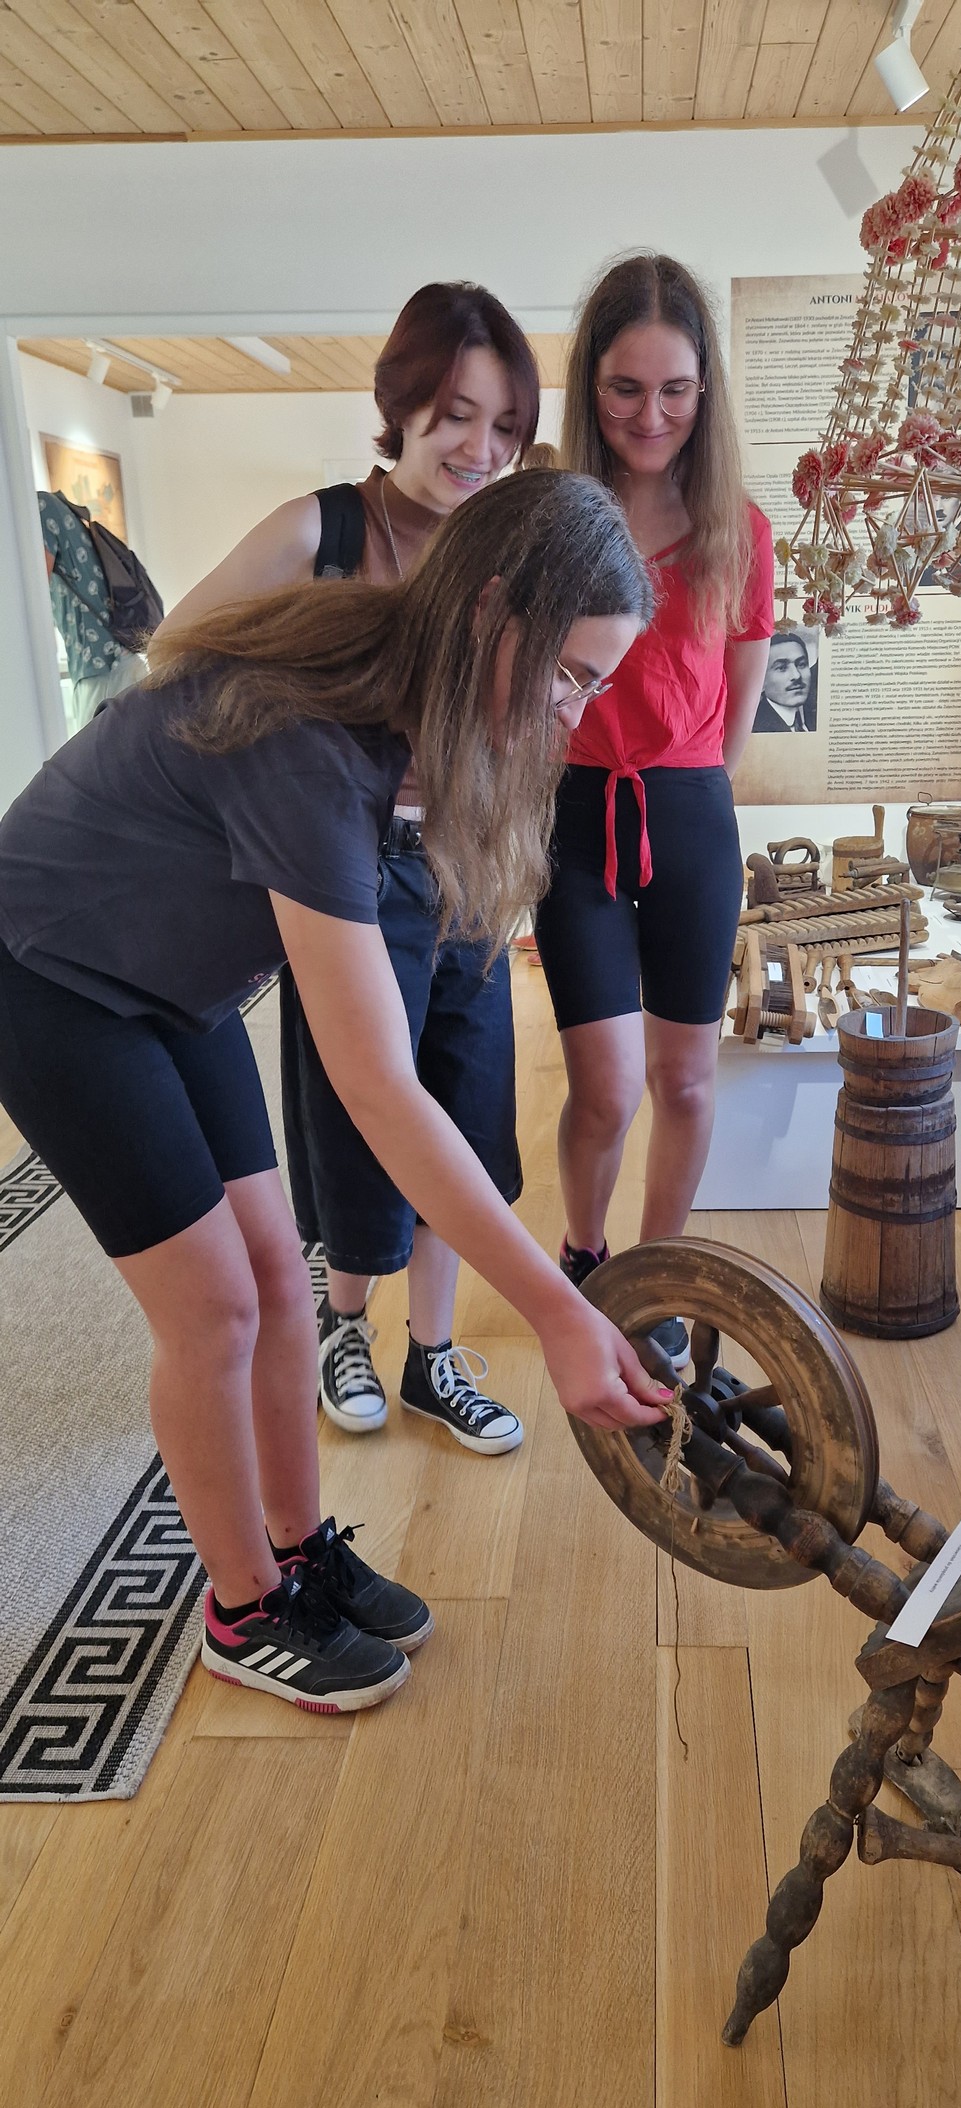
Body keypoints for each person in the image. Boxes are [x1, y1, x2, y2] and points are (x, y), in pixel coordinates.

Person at [0, 471, 670, 1716]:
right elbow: (378, 1089)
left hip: (175, 984)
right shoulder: (306, 739)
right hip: (44, 973)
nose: (574, 715)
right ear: (491, 615)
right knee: (214, 1309)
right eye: (572, 675)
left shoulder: (403, 691)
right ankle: (241, 1607)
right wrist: (556, 1308)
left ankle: (298, 1551)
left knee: (277, 1275)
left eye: (596, 685)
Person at [158, 284, 540, 1456]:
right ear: (401, 403)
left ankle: (433, 1356)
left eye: (504, 426)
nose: (479, 449)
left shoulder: (500, 552)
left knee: (464, 1110)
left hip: (468, 863)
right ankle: (345, 1327)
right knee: (362, 1111)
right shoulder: (316, 533)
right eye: (455, 415)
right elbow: (176, 656)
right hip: (348, 876)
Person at [534, 255, 775, 1367]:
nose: (651, 414)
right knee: (605, 1085)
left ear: (704, 388)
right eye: (626, 388)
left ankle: (661, 1273)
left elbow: (740, 700)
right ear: (591, 386)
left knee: (683, 1075)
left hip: (687, 815)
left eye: (675, 389)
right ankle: (587, 1257)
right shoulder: (554, 525)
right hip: (575, 812)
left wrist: (693, 795)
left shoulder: (740, 530)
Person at [39, 491, 149, 727]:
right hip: (125, 660)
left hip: (99, 668)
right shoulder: (62, 510)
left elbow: (33, 593)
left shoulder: (41, 508)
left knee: (88, 750)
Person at [752, 628, 818, 733]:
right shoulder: (754, 726)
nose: (796, 676)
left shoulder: (815, 714)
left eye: (801, 664)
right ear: (762, 679)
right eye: (782, 668)